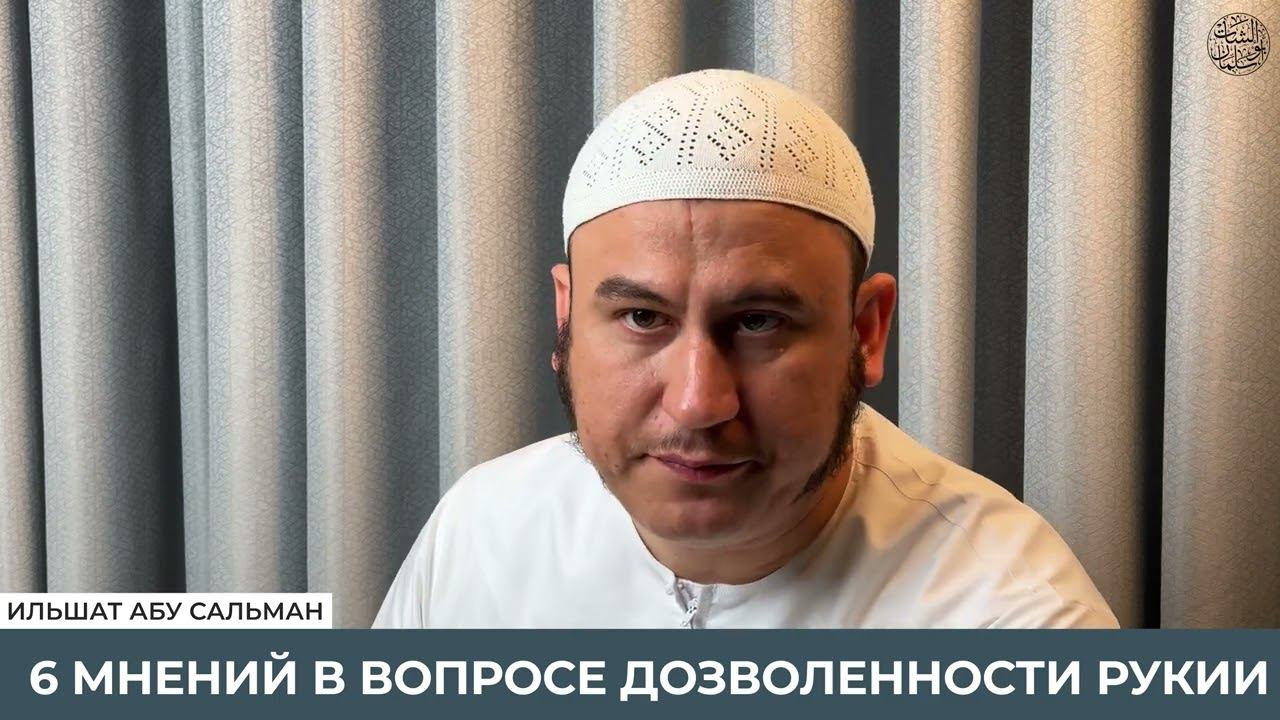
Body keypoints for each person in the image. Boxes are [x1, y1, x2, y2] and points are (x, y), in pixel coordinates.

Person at [374, 68, 1118, 629]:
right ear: (566, 319)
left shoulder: (1011, 620)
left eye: (759, 322)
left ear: (866, 331)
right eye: (641, 317)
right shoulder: (483, 530)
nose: (698, 402)